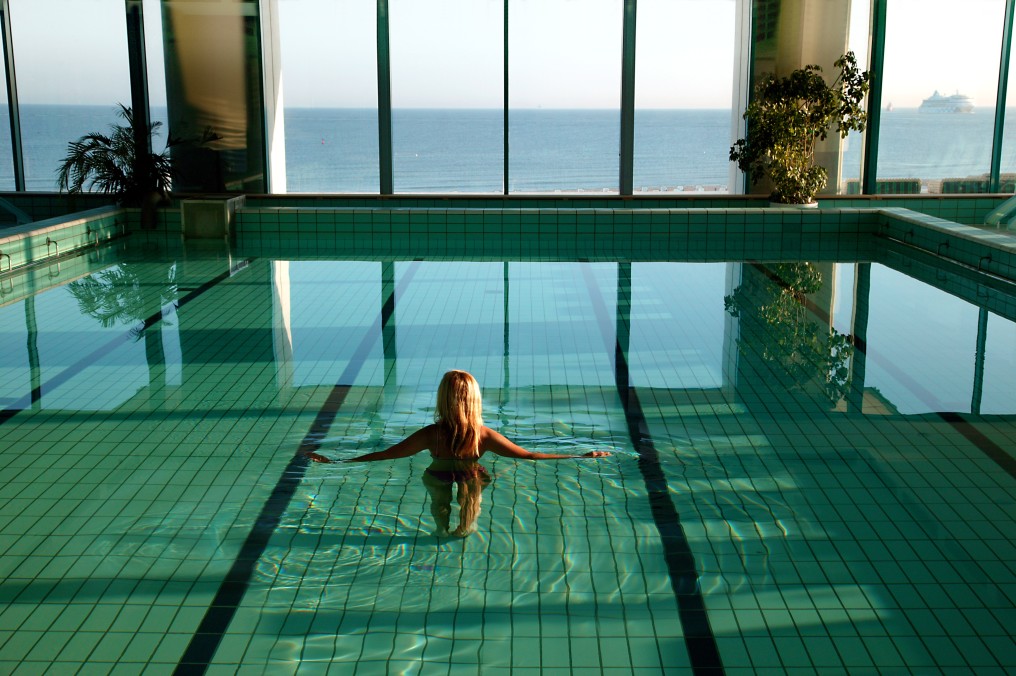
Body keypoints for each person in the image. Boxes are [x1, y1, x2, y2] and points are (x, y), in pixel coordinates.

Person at [306, 369, 610, 536]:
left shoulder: (431, 434)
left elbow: (388, 454)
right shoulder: (484, 436)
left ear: (441, 399)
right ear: (475, 401)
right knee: (470, 503)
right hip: (471, 475)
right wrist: (580, 457)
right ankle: (466, 528)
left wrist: (339, 461)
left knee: (439, 503)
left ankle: (441, 529)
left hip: (437, 475)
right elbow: (529, 455)